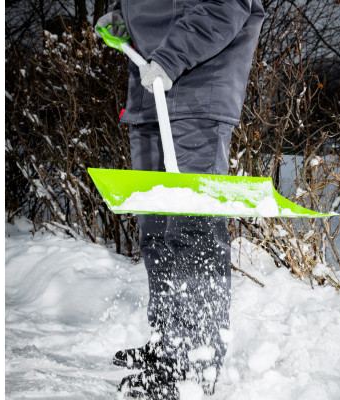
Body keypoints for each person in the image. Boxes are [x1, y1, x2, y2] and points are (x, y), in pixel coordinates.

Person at [96, 1, 264, 398]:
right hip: (149, 91)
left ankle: (194, 359)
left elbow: (228, 6)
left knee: (193, 232)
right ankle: (169, 341)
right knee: (156, 232)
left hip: (197, 90)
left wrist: (171, 57)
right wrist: (125, 15)